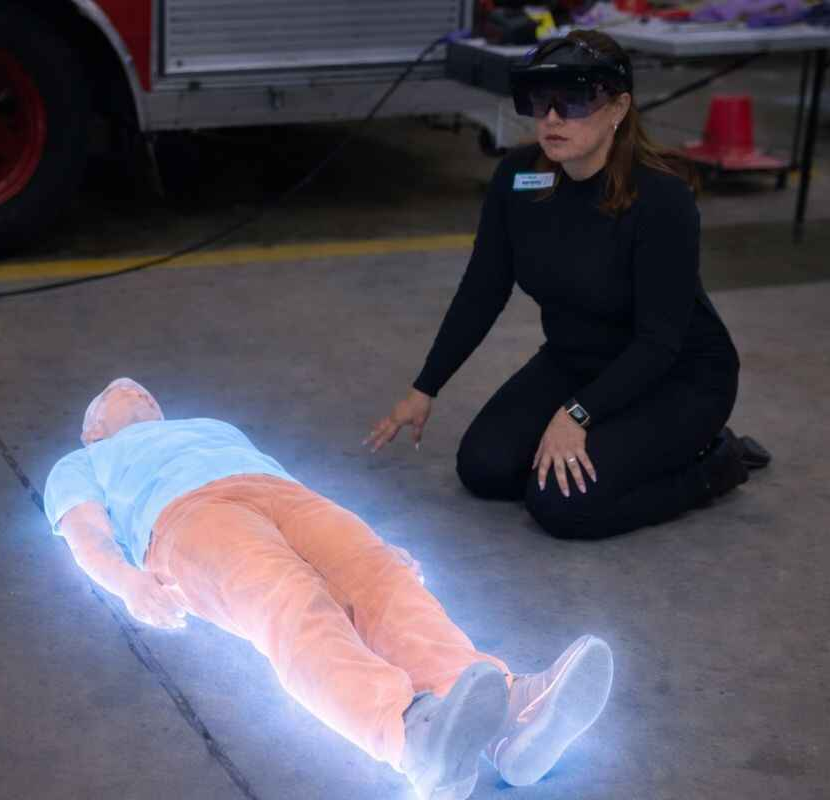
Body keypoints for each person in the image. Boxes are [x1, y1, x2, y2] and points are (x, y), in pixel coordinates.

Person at [44, 379, 615, 800]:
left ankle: (513, 717)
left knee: (381, 580)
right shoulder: (82, 461)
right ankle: (411, 736)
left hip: (282, 496)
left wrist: (377, 542)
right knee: (289, 601)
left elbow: (286, 479)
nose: (136, 391)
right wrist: (127, 582)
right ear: (93, 431)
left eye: (145, 393)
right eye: (117, 395)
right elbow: (85, 533)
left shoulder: (211, 429)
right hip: (184, 520)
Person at [368, 31, 769, 541]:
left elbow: (659, 342)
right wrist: (425, 387)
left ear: (618, 107)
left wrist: (576, 414)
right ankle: (615, 446)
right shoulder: (518, 177)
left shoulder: (662, 199)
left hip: (677, 378)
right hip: (576, 360)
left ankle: (717, 464)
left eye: (574, 100)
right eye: (541, 101)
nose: (553, 118)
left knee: (562, 506)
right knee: (485, 467)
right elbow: (482, 289)